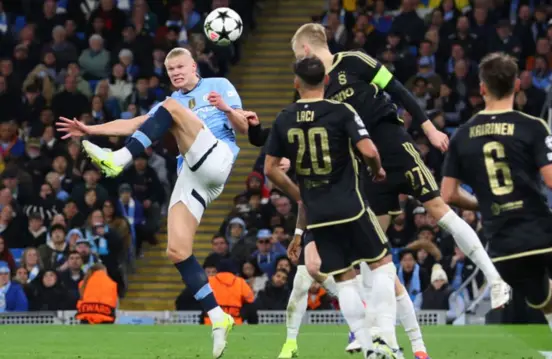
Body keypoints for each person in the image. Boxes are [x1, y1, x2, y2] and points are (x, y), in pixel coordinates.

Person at [289, 23, 509, 356]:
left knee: (438, 209)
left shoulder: (356, 61)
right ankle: (386, 339)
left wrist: (430, 130)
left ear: (305, 50)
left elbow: (399, 91)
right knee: (370, 255)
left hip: (393, 144)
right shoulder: (316, 88)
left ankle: (495, 278)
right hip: (366, 167)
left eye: (296, 56)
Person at [56, 47, 248, 358]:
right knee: (177, 250)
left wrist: (227, 109)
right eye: (170, 69)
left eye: (180, 66)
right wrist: (91, 130)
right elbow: (133, 123)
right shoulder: (168, 105)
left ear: (194, 66)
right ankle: (218, 316)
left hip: (218, 158)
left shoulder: (219, 85)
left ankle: (121, 159)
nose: (175, 72)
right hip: (193, 175)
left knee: (170, 108)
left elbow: (244, 127)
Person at [440, 52, 552, 359]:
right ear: (518, 84)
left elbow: (449, 194)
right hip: (540, 229)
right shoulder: (531, 126)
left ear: (482, 88)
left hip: (503, 244)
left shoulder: (462, 136)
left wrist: (485, 205)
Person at [264, 56, 398, 359]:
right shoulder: (341, 111)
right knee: (382, 265)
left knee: (344, 279)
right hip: (350, 205)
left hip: (319, 216)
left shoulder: (284, 118)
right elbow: (369, 149)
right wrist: (376, 168)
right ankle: (384, 338)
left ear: (296, 83)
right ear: (326, 81)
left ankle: (366, 346)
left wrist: (300, 194)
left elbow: (271, 169)